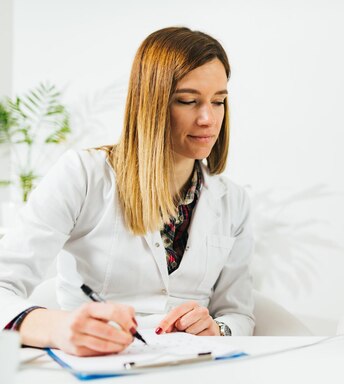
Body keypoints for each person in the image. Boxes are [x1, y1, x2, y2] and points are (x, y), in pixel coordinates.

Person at [0, 27, 255, 356]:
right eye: (189, 101)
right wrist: (58, 327)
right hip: (102, 363)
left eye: (218, 101)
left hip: (193, 366)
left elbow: (239, 313)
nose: (208, 118)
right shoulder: (83, 175)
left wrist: (218, 330)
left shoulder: (233, 200)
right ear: (152, 103)